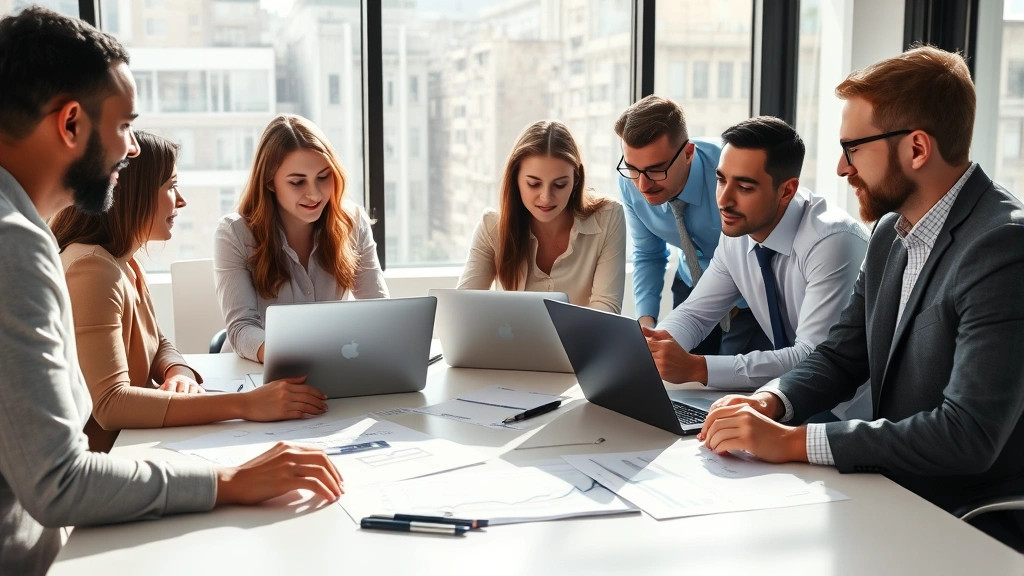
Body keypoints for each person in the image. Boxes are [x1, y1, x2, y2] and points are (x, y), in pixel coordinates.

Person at [0, 8, 341, 575]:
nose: (132, 149)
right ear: (70, 125)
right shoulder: (14, 247)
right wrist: (230, 479)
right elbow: (58, 483)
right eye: (125, 125)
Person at [698, 46, 1024, 551]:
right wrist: (772, 402)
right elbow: (841, 355)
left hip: (965, 521)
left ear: (916, 149)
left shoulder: (1004, 246)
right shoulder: (894, 231)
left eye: (853, 148)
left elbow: (967, 435)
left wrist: (792, 442)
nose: (841, 168)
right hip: (890, 492)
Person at [50, 131, 330, 453]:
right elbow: (111, 404)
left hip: (134, 444)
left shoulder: (124, 263)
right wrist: (244, 405)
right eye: (171, 187)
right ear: (133, 194)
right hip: (103, 459)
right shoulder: (92, 270)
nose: (181, 201)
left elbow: (158, 345)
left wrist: (177, 371)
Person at [643, 117, 869, 405]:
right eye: (721, 180)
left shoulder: (832, 241)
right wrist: (653, 347)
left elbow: (811, 357)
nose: (723, 200)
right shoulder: (739, 231)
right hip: (785, 400)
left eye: (745, 187)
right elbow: (696, 315)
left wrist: (697, 368)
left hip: (846, 410)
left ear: (787, 190)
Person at [215, 114, 388, 363]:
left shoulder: (352, 222)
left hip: (332, 366)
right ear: (270, 182)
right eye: (297, 182)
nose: (314, 194)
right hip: (255, 374)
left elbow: (379, 312)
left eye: (323, 177)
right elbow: (241, 329)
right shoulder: (234, 233)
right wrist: (297, 359)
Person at [615, 96, 771, 355]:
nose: (642, 185)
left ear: (688, 153)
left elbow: (764, 249)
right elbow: (648, 254)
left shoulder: (729, 174)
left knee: (730, 386)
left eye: (656, 170)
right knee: (679, 382)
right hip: (691, 285)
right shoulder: (630, 182)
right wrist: (646, 322)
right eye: (633, 169)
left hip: (748, 297)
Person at [457, 120, 626, 313]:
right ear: (516, 180)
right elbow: (461, 309)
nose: (546, 197)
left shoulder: (608, 217)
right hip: (510, 344)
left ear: (576, 180)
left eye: (560, 184)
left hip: (581, 343)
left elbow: (607, 308)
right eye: (533, 184)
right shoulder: (492, 226)